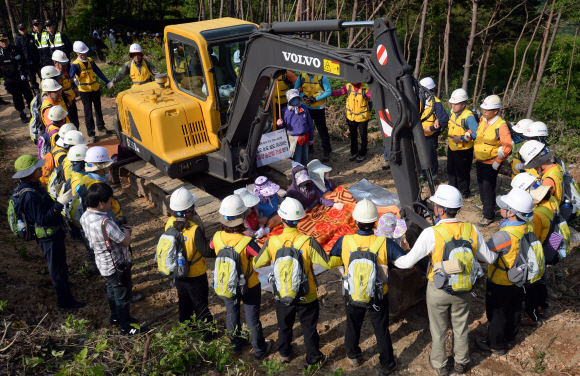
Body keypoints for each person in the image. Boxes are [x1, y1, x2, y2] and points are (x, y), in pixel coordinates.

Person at [393, 185, 497, 376]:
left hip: (438, 289)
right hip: (463, 288)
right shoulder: (471, 229)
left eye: (435, 204)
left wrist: (391, 254)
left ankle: (440, 364)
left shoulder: (431, 233)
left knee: (438, 328)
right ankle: (461, 363)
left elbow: (407, 262)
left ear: (440, 209)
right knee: (460, 326)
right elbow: (489, 258)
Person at [328, 199, 403, 375]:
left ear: (355, 221)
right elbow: (402, 261)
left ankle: (353, 355)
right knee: (381, 328)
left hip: (352, 293)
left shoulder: (345, 241)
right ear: (375, 221)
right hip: (378, 295)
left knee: (353, 324)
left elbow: (333, 257)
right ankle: (387, 363)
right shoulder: (384, 243)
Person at [254, 198, 331, 367]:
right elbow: (327, 263)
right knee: (309, 327)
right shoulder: (308, 241)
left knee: (284, 325)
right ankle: (313, 358)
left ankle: (284, 354)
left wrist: (272, 260)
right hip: (307, 293)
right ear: (300, 220)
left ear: (281, 218)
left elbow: (257, 263)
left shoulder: (272, 242)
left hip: (282, 292)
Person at [12, 155, 84, 311]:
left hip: (53, 235)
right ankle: (65, 302)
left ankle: (64, 287)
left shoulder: (33, 185)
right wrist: (59, 204)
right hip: (48, 238)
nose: (40, 168)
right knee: (56, 268)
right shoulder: (29, 194)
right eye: (37, 168)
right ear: (28, 173)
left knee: (60, 265)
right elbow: (43, 218)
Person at [210, 195, 273, 358]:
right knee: (252, 319)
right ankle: (259, 350)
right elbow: (262, 262)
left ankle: (236, 345)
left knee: (231, 313)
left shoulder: (216, 237)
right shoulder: (247, 242)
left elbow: (211, 248)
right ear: (242, 219)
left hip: (227, 283)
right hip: (249, 285)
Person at [475, 188, 536, 356]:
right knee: (515, 308)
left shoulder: (503, 236)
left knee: (497, 314)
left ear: (511, 213)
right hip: (520, 278)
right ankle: (510, 337)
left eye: (504, 206)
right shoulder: (528, 226)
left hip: (500, 282)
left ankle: (495, 344)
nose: (500, 208)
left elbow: (484, 258)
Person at [80, 183, 143, 335]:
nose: (111, 203)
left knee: (111, 289)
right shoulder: (105, 223)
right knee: (123, 296)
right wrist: (127, 232)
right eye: (110, 200)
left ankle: (115, 317)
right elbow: (126, 241)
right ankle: (126, 327)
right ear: (101, 203)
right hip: (116, 265)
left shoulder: (85, 216)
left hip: (103, 264)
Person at [165, 187, 215, 326]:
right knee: (200, 304)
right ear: (190, 211)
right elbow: (206, 251)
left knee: (184, 300)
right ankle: (206, 331)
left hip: (178, 272)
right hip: (195, 274)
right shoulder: (194, 229)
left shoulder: (169, 223)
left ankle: (186, 326)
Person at [511, 172, 554, 326]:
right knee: (541, 279)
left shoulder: (535, 216)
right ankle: (542, 305)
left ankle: (532, 314)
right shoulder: (550, 202)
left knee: (532, 284)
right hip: (548, 246)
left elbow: (530, 238)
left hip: (536, 251)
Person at [474, 95, 512, 226]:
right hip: (480, 160)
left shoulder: (500, 125)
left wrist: (498, 160)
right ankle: (487, 205)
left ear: (495, 111)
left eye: (487, 109)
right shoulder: (483, 120)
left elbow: (507, 145)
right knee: (481, 185)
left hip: (491, 163)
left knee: (488, 187)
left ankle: (488, 215)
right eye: (483, 109)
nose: (484, 111)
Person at [70, 41, 114, 143]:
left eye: (85, 53)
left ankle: (101, 128)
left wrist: (107, 82)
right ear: (77, 53)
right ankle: (91, 133)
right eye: (82, 53)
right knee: (88, 112)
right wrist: (73, 88)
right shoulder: (75, 65)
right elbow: (70, 78)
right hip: (84, 91)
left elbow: (99, 72)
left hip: (95, 89)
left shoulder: (90, 61)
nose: (84, 55)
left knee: (98, 109)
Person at [446, 88, 479, 198]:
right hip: (452, 147)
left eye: (456, 104)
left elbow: (476, 134)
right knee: (451, 169)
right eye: (452, 104)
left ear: (463, 104)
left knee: (462, 172)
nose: (453, 106)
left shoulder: (468, 117)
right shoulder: (451, 112)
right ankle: (452, 189)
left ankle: (464, 192)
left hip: (464, 150)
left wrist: (461, 138)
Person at [295, 73, 332, 162]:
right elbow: (296, 88)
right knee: (306, 128)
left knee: (322, 129)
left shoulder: (323, 77)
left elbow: (328, 91)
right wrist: (303, 96)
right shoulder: (302, 76)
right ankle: (309, 147)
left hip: (318, 107)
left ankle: (326, 149)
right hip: (306, 107)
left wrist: (315, 99)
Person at [331, 82, 372, 162]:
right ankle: (354, 152)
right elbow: (338, 93)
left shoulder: (365, 88)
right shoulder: (348, 86)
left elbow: (373, 97)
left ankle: (363, 153)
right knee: (353, 134)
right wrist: (328, 92)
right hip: (351, 116)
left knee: (363, 135)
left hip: (362, 116)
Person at [418, 77, 449, 180]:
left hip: (430, 135)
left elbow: (444, 119)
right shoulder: (421, 100)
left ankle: (433, 176)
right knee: (420, 155)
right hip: (420, 134)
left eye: (422, 89)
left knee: (430, 156)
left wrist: (431, 129)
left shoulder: (436, 102)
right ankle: (422, 174)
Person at [0, 32, 34, 123]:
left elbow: (24, 62)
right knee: (17, 98)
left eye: (5, 40)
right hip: (11, 80)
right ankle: (22, 113)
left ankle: (32, 111)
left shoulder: (16, 49)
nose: (4, 42)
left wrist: (28, 75)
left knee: (29, 96)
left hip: (22, 77)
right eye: (2, 41)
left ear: (8, 40)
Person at [520, 141, 564, 206]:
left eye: (533, 165)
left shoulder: (548, 180)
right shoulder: (558, 167)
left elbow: (543, 204)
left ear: (538, 162)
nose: (534, 168)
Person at [276, 89, 314, 166]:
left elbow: (310, 123)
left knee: (305, 159)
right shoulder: (285, 111)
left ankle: (305, 174)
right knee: (297, 160)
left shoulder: (304, 108)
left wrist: (311, 138)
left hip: (305, 137)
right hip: (294, 139)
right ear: (289, 100)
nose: (295, 100)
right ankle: (297, 175)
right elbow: (283, 127)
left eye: (296, 98)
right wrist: (279, 124)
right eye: (292, 99)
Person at [52, 50, 80, 129]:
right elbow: (58, 91)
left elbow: (70, 80)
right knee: (69, 122)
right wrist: (67, 100)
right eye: (62, 63)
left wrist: (74, 87)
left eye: (65, 63)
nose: (65, 65)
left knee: (75, 121)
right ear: (55, 63)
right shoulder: (56, 75)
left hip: (71, 99)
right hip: (64, 103)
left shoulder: (64, 71)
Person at [16, 23, 42, 88]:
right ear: (19, 31)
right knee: (32, 77)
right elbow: (19, 52)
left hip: (36, 60)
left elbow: (38, 48)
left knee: (41, 75)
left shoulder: (32, 37)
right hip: (27, 62)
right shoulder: (18, 40)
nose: (22, 31)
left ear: (26, 29)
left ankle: (45, 87)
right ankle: (36, 89)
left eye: (23, 29)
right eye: (21, 30)